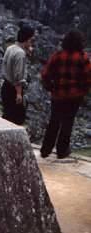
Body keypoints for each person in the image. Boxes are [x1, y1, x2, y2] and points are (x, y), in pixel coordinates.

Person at [40, 30, 91, 159]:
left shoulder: (57, 55)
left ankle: (45, 149)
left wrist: (50, 87)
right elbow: (88, 77)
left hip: (58, 95)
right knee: (68, 122)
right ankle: (62, 151)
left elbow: (45, 73)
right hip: (75, 96)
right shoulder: (82, 57)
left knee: (54, 121)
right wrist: (83, 91)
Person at [1, 25, 35, 125]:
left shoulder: (10, 48)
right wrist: (19, 94)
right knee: (17, 119)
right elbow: (18, 76)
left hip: (5, 85)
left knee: (7, 115)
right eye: (31, 39)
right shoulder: (20, 54)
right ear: (27, 39)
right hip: (14, 90)